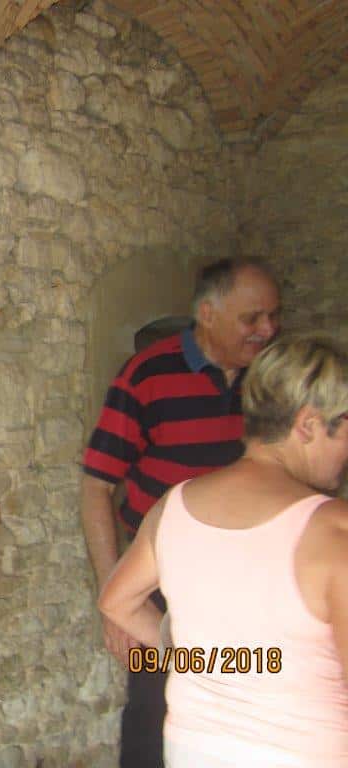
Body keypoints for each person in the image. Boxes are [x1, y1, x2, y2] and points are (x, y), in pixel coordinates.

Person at [99, 334, 348, 767]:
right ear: (308, 425)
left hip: (193, 748)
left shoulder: (174, 505)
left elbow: (116, 602)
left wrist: (204, 664)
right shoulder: (334, 530)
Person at [80, 258, 281, 766]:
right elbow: (97, 487)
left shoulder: (274, 379)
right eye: (252, 318)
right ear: (208, 314)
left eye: (272, 316)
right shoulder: (148, 375)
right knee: (155, 715)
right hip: (164, 587)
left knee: (244, 717)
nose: (267, 330)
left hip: (255, 583)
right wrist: (114, 597)